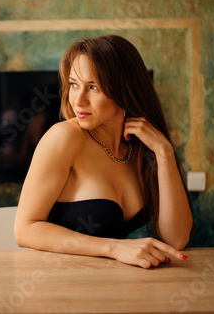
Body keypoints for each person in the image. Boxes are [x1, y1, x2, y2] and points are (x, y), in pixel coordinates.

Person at [14, 35, 194, 269]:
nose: (78, 100)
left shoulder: (141, 148)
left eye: (93, 87)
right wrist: (114, 248)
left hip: (108, 282)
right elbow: (25, 230)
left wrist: (164, 152)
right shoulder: (64, 138)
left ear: (126, 91)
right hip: (57, 284)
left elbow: (177, 239)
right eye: (74, 84)